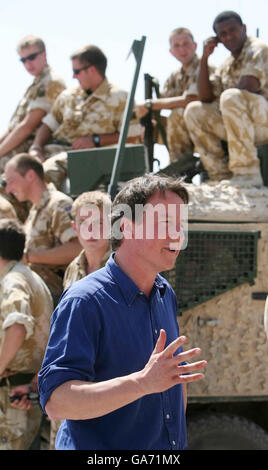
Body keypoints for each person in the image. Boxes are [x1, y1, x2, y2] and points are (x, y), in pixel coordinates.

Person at [38, 173, 207, 450]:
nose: (177, 234)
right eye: (165, 223)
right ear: (128, 228)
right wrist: (142, 382)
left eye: (180, 224)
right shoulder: (84, 301)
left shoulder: (164, 293)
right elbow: (57, 402)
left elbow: (172, 387)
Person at [29, 44, 141, 189]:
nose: (73, 76)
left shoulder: (121, 98)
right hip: (54, 151)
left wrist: (95, 140)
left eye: (76, 71)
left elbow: (132, 136)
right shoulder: (68, 96)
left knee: (40, 176)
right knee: (14, 175)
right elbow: (49, 125)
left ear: (92, 70)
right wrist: (36, 148)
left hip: (89, 158)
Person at [184, 10, 268, 186]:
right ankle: (220, 175)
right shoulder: (226, 66)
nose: (229, 37)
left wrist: (225, 104)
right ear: (218, 39)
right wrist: (205, 58)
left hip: (262, 123)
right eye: (223, 34)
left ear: (244, 28)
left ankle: (247, 173)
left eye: (233, 30)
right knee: (194, 111)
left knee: (230, 96)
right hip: (242, 125)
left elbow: (248, 87)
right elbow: (205, 96)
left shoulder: (258, 49)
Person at [0, 218, 53, 450]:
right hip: (25, 390)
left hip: (15, 395)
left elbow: (17, 327)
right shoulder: (26, 275)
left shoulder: (13, 281)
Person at [4, 154, 81, 302]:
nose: (8, 189)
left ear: (30, 176)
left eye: (11, 181)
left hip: (56, 297)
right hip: (38, 296)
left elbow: (77, 248)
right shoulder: (34, 211)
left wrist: (28, 257)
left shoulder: (58, 204)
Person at [136, 28, 215, 162]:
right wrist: (148, 123)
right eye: (177, 46)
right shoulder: (175, 76)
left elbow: (192, 99)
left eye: (186, 44)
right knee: (139, 127)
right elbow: (163, 102)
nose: (182, 49)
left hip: (208, 124)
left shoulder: (204, 67)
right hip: (186, 129)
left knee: (178, 114)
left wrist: (150, 104)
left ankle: (181, 165)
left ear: (195, 46)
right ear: (171, 51)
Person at [0, 35, 65, 174]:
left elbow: (28, 126)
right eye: (23, 60)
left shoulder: (50, 82)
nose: (28, 64)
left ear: (44, 54)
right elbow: (14, 127)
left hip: (36, 146)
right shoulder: (35, 85)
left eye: (32, 57)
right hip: (19, 145)